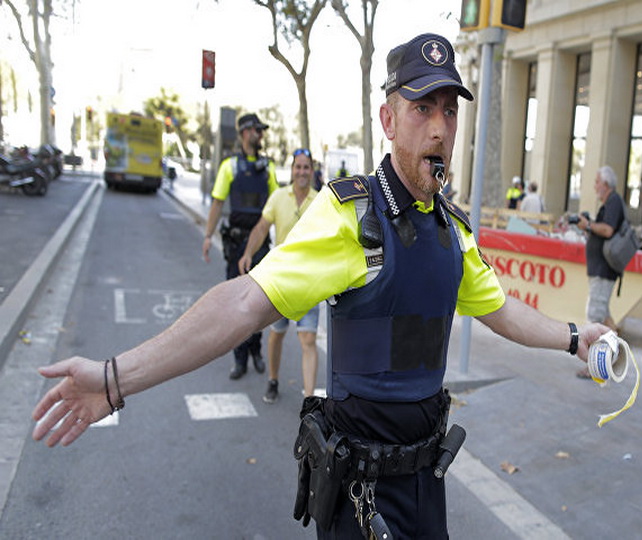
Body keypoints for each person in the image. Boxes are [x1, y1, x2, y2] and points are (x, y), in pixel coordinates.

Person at [31, 33, 608, 539]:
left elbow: (501, 310)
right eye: (422, 108)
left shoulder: (451, 232)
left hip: (428, 489)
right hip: (362, 500)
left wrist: (576, 337)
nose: (439, 127)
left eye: (449, 112)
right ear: (388, 120)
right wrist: (114, 379)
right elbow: (241, 303)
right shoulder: (348, 217)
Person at [238, 148, 320, 404]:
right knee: (277, 334)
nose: (302, 172)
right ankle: (273, 380)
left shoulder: (321, 201)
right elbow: (263, 227)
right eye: (298, 167)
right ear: (292, 170)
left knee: (308, 338)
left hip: (309, 281)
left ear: (312, 170)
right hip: (281, 279)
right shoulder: (278, 197)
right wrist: (248, 253)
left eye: (306, 167)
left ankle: (309, 400)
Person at [201, 112, 279, 379]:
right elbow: (217, 202)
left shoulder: (268, 168)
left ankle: (256, 352)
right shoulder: (230, 166)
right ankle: (239, 358)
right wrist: (208, 235)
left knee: (259, 301)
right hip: (236, 242)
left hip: (259, 243)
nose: (260, 135)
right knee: (235, 303)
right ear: (245, 132)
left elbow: (275, 205)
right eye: (257, 130)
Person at [575, 165, 624, 378]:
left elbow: (607, 229)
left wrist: (589, 225)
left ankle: (596, 365)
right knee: (603, 315)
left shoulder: (613, 202)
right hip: (602, 269)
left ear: (605, 184)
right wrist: (588, 227)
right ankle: (615, 354)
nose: (594, 186)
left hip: (604, 269)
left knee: (594, 316)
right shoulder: (610, 203)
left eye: (596, 182)